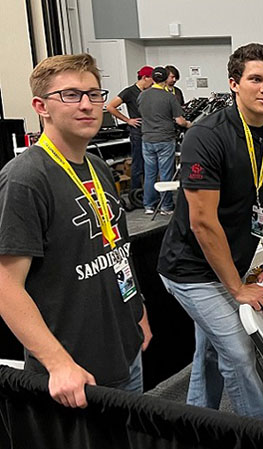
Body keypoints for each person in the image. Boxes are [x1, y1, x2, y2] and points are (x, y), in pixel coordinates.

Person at [0, 54, 151, 408]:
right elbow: (6, 287)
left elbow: (115, 250)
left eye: (94, 94)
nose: (87, 105)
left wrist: (137, 308)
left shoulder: (97, 167)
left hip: (124, 351)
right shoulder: (25, 178)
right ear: (41, 106)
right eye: (70, 95)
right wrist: (57, 363)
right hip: (74, 373)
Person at [157, 43, 263, 418]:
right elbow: (203, 222)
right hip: (191, 269)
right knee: (237, 351)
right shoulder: (206, 136)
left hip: (231, 263)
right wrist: (236, 288)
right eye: (256, 79)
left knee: (210, 351)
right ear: (234, 84)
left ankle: (195, 424)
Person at [137, 66, 191, 215]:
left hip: (147, 139)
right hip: (165, 139)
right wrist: (191, 125)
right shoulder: (169, 97)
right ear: (166, 78)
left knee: (149, 174)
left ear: (153, 78)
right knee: (166, 174)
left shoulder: (142, 95)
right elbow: (180, 121)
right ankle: (166, 206)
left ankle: (149, 205)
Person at [107, 65, 154, 196]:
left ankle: (147, 193)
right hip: (137, 132)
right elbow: (111, 106)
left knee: (148, 165)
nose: (153, 84)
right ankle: (135, 193)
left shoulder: (148, 92)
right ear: (145, 78)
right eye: (152, 80)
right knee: (138, 163)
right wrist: (128, 120)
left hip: (149, 132)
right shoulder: (129, 92)